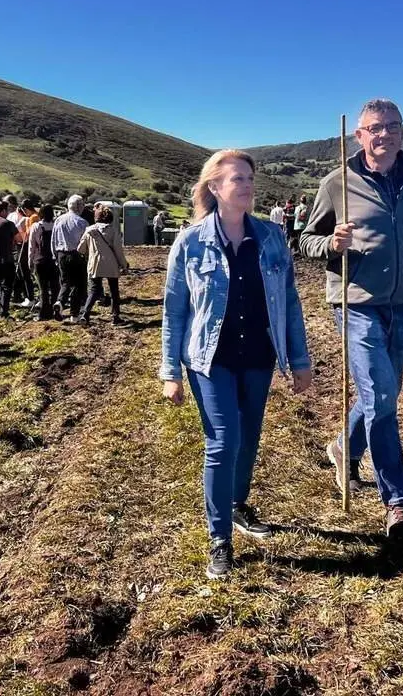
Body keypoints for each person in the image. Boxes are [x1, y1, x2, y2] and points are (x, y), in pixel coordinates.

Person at [160, 149, 313, 580]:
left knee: (248, 439)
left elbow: (290, 302)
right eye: (236, 179)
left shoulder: (270, 237)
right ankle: (220, 540)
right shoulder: (190, 242)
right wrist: (170, 372)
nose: (246, 186)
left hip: (259, 356)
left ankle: (237, 503)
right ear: (214, 187)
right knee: (223, 441)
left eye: (248, 178)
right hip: (211, 359)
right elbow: (174, 311)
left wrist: (300, 361)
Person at [300, 98, 403, 537]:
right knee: (381, 398)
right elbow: (305, 239)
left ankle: (345, 447)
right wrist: (331, 246)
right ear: (359, 135)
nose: (383, 135)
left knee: (384, 395)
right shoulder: (337, 181)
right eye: (374, 128)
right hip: (356, 302)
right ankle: (398, 501)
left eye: (391, 126)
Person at [78, 205, 129, 325]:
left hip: (94, 264)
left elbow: (80, 249)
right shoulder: (113, 231)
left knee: (93, 291)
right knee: (114, 291)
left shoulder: (89, 230)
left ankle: (85, 314)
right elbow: (118, 250)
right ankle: (115, 317)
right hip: (111, 264)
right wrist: (124, 265)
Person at [53, 195, 90, 324]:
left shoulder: (58, 220)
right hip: (77, 255)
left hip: (61, 254)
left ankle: (60, 302)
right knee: (78, 285)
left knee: (65, 282)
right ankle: (74, 315)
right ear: (79, 207)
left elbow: (54, 239)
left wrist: (55, 256)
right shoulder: (82, 222)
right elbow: (86, 243)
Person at [28, 204, 60, 320]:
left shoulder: (36, 226)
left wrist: (30, 261)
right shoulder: (56, 225)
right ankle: (55, 310)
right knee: (55, 286)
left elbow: (32, 246)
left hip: (40, 260)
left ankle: (43, 313)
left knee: (43, 288)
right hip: (53, 260)